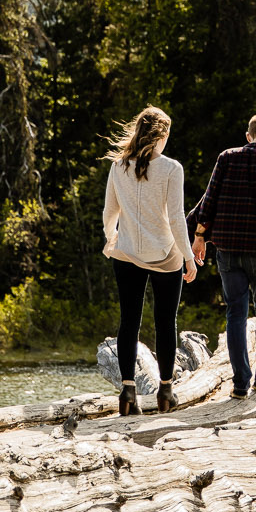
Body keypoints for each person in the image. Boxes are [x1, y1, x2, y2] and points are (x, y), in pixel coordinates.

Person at [189, 113, 256, 399]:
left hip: (226, 248)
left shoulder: (226, 157)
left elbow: (208, 200)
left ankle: (239, 384)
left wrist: (199, 238)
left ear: (248, 136)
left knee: (235, 312)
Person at [102, 105, 197, 415]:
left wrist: (111, 237)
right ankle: (165, 392)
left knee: (128, 321)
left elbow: (109, 213)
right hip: (164, 255)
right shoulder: (172, 168)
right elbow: (176, 220)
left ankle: (128, 393)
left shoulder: (118, 166)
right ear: (162, 136)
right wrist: (188, 258)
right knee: (165, 322)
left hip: (127, 254)